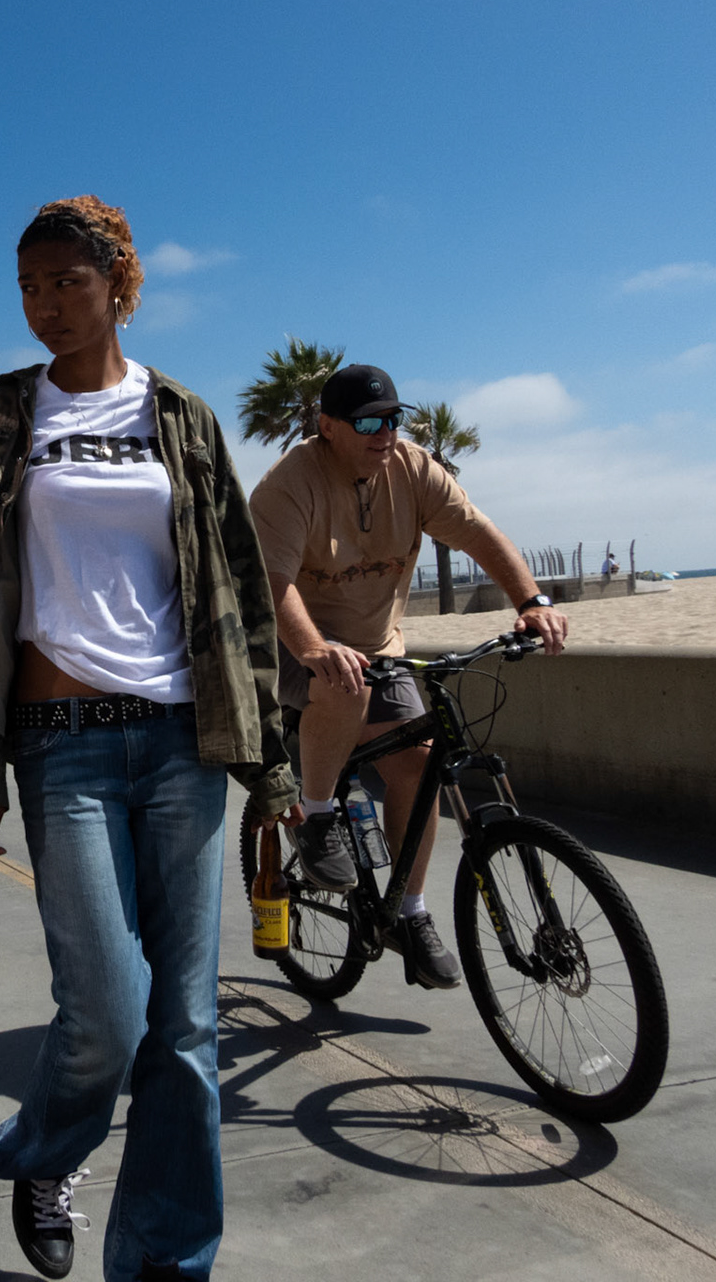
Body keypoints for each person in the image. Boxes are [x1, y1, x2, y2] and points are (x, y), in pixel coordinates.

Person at [0, 197, 297, 1282]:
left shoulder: (181, 417)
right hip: (60, 743)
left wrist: (270, 762)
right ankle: (43, 1151)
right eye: (28, 288)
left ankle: (164, 1263)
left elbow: (239, 590)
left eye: (67, 283)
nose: (45, 306)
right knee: (109, 1014)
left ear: (118, 284)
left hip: (180, 741)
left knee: (186, 1031)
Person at [247, 363, 569, 989]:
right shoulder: (290, 484)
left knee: (420, 763)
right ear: (328, 427)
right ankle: (318, 818)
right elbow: (273, 582)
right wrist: (315, 648)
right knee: (343, 679)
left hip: (379, 644)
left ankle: (409, 913)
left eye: (393, 419)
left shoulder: (414, 469)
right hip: (294, 640)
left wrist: (531, 602)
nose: (385, 433)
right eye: (368, 423)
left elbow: (478, 533)